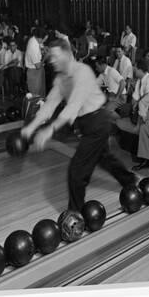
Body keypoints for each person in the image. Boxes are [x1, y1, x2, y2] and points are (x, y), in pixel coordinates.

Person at [20, 39, 136, 212]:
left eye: (55, 56)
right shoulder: (61, 79)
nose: (51, 60)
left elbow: (73, 105)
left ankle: (75, 215)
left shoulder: (83, 71)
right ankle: (130, 181)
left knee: (77, 171)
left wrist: (49, 130)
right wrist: (31, 126)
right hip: (86, 124)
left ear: (67, 54)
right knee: (104, 158)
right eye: (49, 56)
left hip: (98, 122)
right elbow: (50, 104)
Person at [25, 27, 47, 96]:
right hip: (34, 72)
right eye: (44, 39)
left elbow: (41, 46)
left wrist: (44, 49)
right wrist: (45, 57)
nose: (44, 41)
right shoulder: (33, 46)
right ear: (40, 38)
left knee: (42, 93)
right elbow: (38, 66)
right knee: (36, 96)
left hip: (39, 70)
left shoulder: (35, 39)